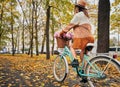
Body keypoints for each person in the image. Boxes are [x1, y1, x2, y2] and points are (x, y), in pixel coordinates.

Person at [60, 0, 94, 82]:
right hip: (90, 37)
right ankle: (83, 74)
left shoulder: (78, 15)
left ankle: (75, 60)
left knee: (71, 47)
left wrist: (62, 33)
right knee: (83, 53)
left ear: (77, 8)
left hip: (82, 37)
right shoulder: (86, 16)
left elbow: (70, 25)